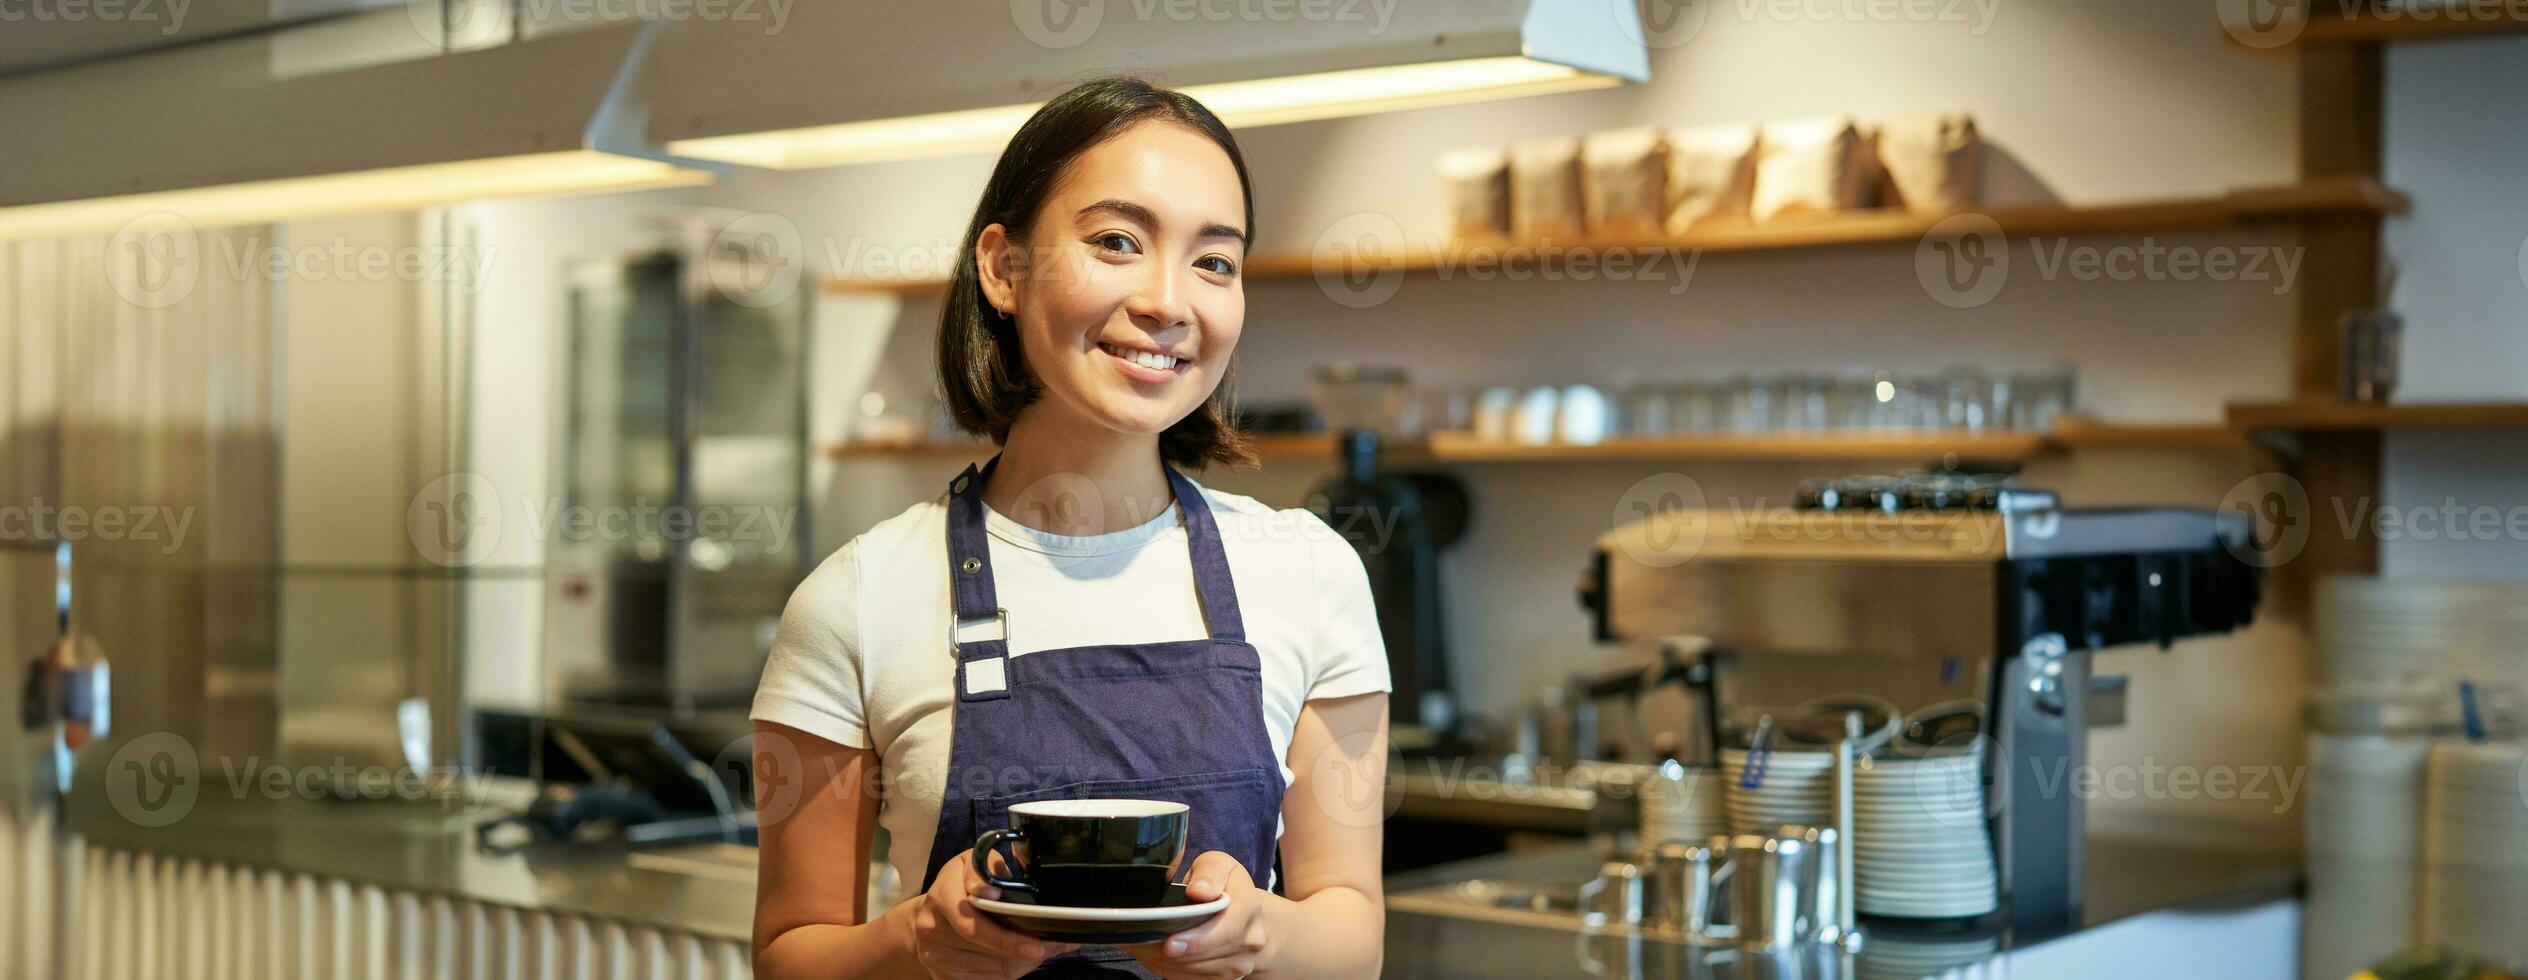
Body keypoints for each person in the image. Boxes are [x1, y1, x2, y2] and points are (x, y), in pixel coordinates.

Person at [748, 76, 1391, 979]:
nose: (1171, 301)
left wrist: (1259, 937)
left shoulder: (1311, 573)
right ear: (1004, 268)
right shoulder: (856, 597)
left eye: (1215, 261)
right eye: (1117, 242)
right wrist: (920, 944)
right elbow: (788, 956)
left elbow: (1353, 936)